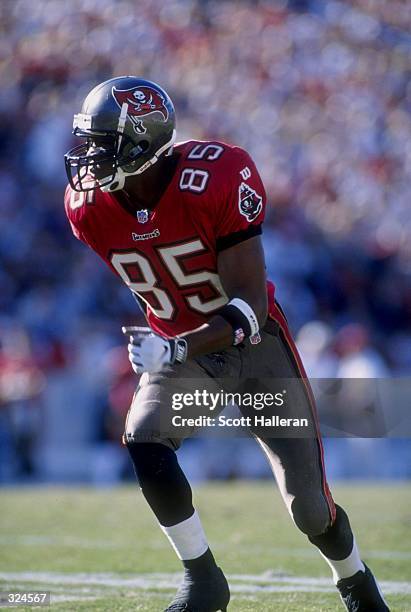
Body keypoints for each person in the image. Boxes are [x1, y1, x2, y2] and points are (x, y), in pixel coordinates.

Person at [64, 76, 389, 612]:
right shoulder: (89, 207)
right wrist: (173, 346)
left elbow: (249, 308)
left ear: (142, 144)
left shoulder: (214, 176)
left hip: (254, 349)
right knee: (144, 438)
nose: (89, 157)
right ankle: (202, 579)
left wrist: (175, 347)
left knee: (309, 508)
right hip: (184, 354)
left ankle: (355, 582)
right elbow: (154, 256)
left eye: (104, 143)